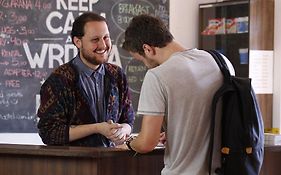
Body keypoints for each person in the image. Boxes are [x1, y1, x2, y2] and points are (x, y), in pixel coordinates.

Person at [121, 14, 234, 174]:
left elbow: (147, 143)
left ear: (147, 49)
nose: (145, 65)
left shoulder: (157, 76)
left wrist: (129, 142)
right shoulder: (221, 61)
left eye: (142, 60)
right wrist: (176, 132)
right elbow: (213, 114)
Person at [37, 12, 135, 147]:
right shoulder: (59, 80)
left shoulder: (117, 75)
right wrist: (97, 128)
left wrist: (123, 130)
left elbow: (128, 120)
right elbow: (49, 133)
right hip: (75, 165)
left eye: (106, 37)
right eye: (95, 40)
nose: (103, 45)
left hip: (112, 162)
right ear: (78, 42)